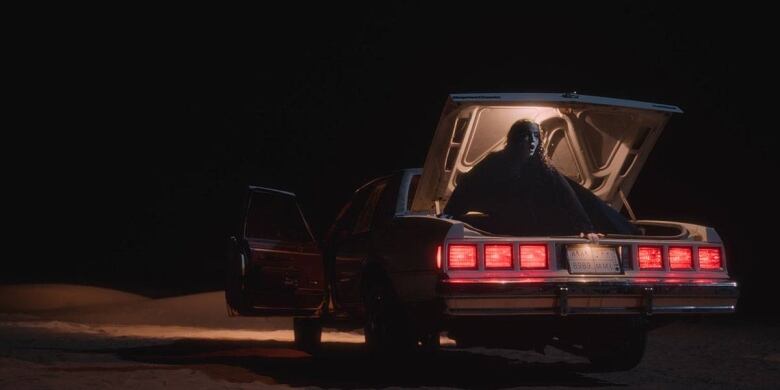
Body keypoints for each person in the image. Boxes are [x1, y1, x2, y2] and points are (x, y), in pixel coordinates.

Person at [444, 119, 605, 242]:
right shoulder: (495, 160)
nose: (532, 141)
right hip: (500, 225)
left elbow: (568, 197)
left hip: (533, 227)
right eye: (526, 135)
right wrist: (450, 212)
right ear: (515, 138)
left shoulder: (544, 167)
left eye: (536, 136)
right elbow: (467, 184)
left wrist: (586, 228)